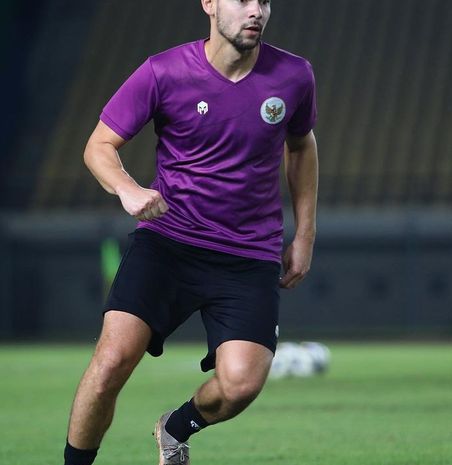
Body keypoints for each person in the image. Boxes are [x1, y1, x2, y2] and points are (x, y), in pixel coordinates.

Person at [63, 1, 319, 464]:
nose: (255, 10)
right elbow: (99, 145)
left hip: (248, 255)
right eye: (241, 0)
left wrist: (304, 236)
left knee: (241, 384)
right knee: (111, 365)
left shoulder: (294, 76)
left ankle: (175, 428)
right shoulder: (164, 71)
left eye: (262, 1)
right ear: (209, 4)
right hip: (169, 243)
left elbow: (301, 147)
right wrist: (127, 189)